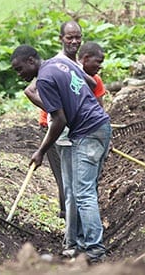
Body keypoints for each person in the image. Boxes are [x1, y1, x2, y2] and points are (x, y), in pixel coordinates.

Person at [11, 45, 111, 263]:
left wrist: (40, 152)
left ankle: (94, 250)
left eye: (19, 70)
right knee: (83, 190)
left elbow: (59, 120)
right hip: (100, 126)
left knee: (83, 193)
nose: (20, 76)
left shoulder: (44, 80)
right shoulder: (62, 62)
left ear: (30, 61)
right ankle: (83, 244)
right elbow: (92, 83)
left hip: (87, 133)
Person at [23, 20, 84, 219]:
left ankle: (74, 221)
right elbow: (30, 90)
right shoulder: (56, 62)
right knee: (65, 177)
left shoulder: (79, 64)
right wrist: (54, 109)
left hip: (72, 128)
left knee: (75, 175)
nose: (74, 41)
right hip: (55, 127)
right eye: (70, 37)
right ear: (61, 39)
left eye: (77, 37)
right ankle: (69, 220)